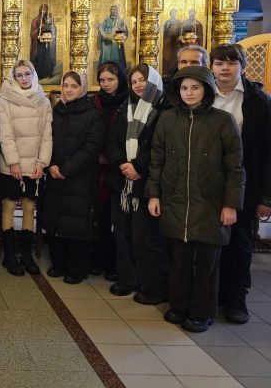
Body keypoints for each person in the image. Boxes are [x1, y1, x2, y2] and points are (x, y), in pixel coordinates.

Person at [147, 66, 244, 333]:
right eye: (184, 88)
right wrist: (153, 195)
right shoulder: (167, 119)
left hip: (210, 202)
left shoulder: (223, 121)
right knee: (178, 258)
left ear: (206, 90)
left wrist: (230, 204)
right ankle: (179, 306)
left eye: (195, 87)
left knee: (206, 263)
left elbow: (235, 168)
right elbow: (157, 160)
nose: (189, 93)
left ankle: (202, 312)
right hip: (177, 199)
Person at [211, 44, 271, 324]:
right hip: (207, 185)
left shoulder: (258, 101)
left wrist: (266, 197)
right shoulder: (202, 96)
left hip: (245, 185)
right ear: (211, 67)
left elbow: (267, 151)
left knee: (239, 244)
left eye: (231, 63)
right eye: (219, 63)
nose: (225, 68)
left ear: (242, 66)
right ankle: (214, 297)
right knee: (210, 244)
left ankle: (236, 299)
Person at [105, 64, 169, 303]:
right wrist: (121, 163)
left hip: (147, 183)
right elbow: (111, 140)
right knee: (122, 232)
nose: (138, 85)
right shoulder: (124, 108)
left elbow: (159, 146)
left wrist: (138, 166)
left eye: (143, 80)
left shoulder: (163, 109)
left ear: (153, 81)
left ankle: (152, 285)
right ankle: (127, 279)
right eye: (134, 82)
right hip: (122, 182)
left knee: (146, 236)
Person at [44, 71, 104, 284]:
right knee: (56, 220)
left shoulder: (92, 114)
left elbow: (91, 148)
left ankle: (76, 268)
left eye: (74, 86)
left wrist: (66, 169)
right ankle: (58, 263)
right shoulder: (57, 111)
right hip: (54, 173)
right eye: (65, 85)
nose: (68, 90)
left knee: (76, 224)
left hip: (79, 178)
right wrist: (50, 165)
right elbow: (47, 140)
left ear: (83, 89)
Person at [0, 60, 52, 276]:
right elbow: (5, 133)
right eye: (19, 75)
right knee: (9, 206)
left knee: (29, 207)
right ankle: (10, 256)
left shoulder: (43, 100)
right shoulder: (5, 99)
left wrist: (41, 162)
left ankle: (27, 255)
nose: (24, 78)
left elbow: (47, 135)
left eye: (27, 74)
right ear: (13, 77)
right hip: (12, 164)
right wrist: (14, 162)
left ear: (33, 74)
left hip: (35, 164)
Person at [92, 62, 128, 280]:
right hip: (97, 167)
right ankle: (99, 259)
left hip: (121, 167)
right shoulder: (94, 102)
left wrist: (114, 157)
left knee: (120, 219)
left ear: (120, 80)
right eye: (102, 80)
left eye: (111, 80)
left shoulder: (128, 102)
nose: (106, 84)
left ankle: (117, 264)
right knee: (99, 216)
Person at [30, 3, 57, 82]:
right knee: (40, 58)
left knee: (47, 58)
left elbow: (53, 29)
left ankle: (48, 74)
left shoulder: (49, 19)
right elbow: (32, 33)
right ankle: (39, 75)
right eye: (42, 9)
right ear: (40, 10)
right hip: (39, 44)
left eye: (45, 9)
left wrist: (51, 26)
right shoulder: (35, 20)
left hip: (48, 43)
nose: (44, 11)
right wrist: (39, 28)